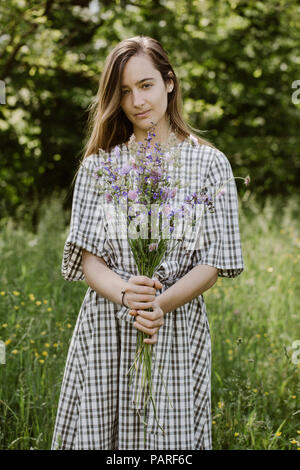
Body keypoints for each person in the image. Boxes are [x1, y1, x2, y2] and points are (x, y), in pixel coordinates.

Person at [51, 36, 244, 450]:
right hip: (108, 323)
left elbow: (213, 262)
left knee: (167, 446)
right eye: (123, 91)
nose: (136, 100)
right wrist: (127, 294)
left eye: (146, 85)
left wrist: (158, 304)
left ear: (169, 83)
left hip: (172, 326)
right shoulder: (99, 165)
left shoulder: (210, 164)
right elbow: (89, 259)